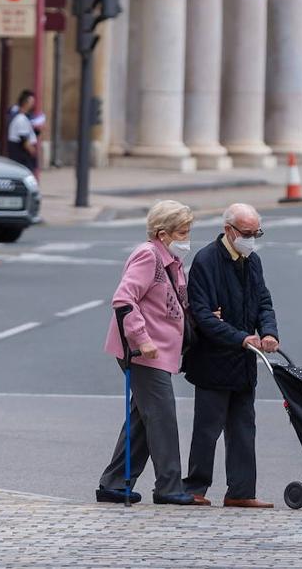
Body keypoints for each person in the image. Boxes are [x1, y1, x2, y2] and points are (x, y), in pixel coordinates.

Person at [97, 200, 201, 506]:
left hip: (160, 350)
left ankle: (114, 483)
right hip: (144, 352)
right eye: (182, 232)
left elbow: (173, 301)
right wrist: (142, 340)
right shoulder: (148, 256)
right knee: (162, 417)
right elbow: (124, 299)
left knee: (143, 419)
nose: (186, 238)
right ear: (162, 233)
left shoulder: (170, 259)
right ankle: (168, 487)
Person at [180, 203, 279, 508]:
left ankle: (241, 491)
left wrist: (269, 332)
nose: (251, 239)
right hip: (213, 360)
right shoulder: (207, 261)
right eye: (247, 233)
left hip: (244, 360)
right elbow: (204, 315)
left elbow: (263, 301)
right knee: (207, 429)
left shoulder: (253, 260)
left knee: (244, 428)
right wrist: (240, 338)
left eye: (256, 233)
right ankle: (195, 487)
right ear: (229, 230)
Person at [5, 89, 38, 171]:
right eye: (31, 102)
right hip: (22, 157)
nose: (33, 105)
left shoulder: (23, 118)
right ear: (26, 103)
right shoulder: (21, 119)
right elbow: (25, 141)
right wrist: (33, 152)